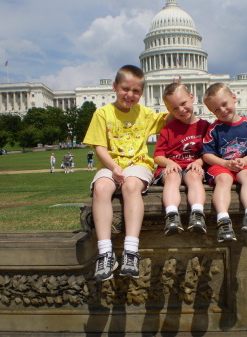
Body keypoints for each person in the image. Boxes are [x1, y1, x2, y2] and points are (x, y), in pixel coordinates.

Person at [83, 65, 172, 281]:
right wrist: (113, 168)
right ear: (114, 87)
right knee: (101, 187)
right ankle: (105, 252)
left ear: (141, 93)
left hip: (138, 163)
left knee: (131, 185)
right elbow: (100, 148)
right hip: (110, 164)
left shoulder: (145, 113)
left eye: (136, 91)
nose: (130, 95)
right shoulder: (102, 113)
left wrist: (181, 97)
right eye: (125, 89)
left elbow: (171, 117)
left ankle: (131, 250)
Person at [201, 83, 247, 242]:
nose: (222, 110)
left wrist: (245, 160)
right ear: (212, 112)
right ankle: (223, 220)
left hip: (242, 165)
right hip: (220, 166)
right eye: (216, 109)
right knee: (224, 179)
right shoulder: (214, 129)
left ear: (233, 98)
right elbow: (206, 155)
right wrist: (224, 164)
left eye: (224, 104)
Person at [153, 83, 210, 236]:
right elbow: (158, 156)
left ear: (191, 98)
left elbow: (210, 153)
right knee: (172, 177)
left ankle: (197, 214)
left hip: (193, 167)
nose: (181, 110)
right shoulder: (168, 129)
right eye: (174, 108)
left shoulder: (205, 127)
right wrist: (169, 163)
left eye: (183, 103)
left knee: (194, 176)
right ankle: (172, 215)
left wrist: (199, 162)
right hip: (171, 167)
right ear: (169, 110)